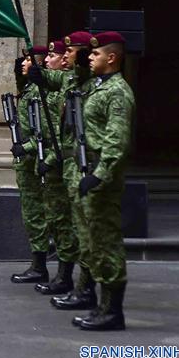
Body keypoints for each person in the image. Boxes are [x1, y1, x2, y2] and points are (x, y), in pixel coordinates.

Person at [27, 31, 94, 309]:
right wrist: (33, 67)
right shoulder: (70, 80)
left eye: (70, 52)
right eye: (59, 53)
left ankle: (86, 289)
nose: (65, 56)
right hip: (66, 166)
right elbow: (44, 77)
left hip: (81, 166)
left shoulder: (91, 85)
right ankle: (69, 280)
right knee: (63, 222)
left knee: (84, 228)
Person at [74, 31, 134, 331]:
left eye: (95, 54)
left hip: (103, 180)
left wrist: (99, 175)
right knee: (93, 241)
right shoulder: (98, 87)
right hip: (90, 175)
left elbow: (117, 140)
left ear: (111, 57)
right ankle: (101, 305)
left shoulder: (118, 92)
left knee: (107, 242)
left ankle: (113, 312)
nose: (90, 57)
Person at [33, 39, 79, 297]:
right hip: (57, 165)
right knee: (57, 221)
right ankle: (63, 275)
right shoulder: (62, 84)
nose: (48, 58)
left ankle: (70, 278)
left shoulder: (72, 84)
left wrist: (48, 159)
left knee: (67, 223)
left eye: (55, 54)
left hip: (65, 165)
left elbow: (62, 135)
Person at [9, 46, 50, 284]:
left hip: (36, 161)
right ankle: (38, 264)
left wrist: (26, 148)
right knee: (32, 215)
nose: (23, 63)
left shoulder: (39, 92)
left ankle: (41, 266)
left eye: (27, 60)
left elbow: (45, 132)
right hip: (27, 163)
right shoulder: (28, 89)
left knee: (39, 215)